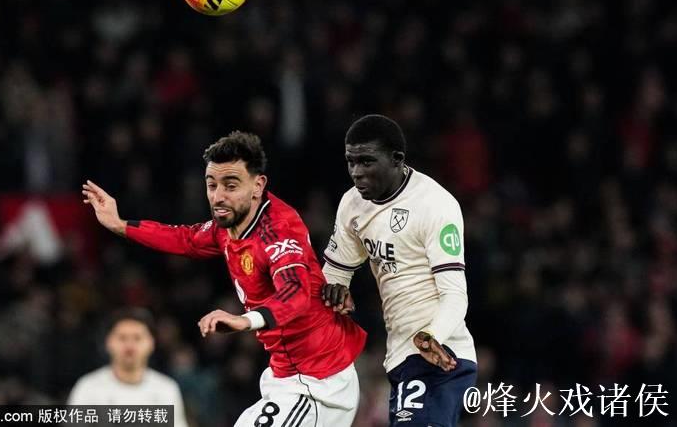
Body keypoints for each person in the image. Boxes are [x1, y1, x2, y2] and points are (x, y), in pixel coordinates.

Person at [82, 131, 366, 427]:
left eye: (231, 185)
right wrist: (120, 225)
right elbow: (186, 239)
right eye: (212, 185)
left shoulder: (277, 231)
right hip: (286, 375)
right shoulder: (230, 223)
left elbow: (296, 292)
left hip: (318, 381)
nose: (218, 196)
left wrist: (245, 321)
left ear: (258, 185)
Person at [320, 114, 477, 427]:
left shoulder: (435, 205)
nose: (356, 172)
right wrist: (335, 291)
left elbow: (455, 295)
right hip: (402, 356)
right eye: (351, 162)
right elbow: (335, 274)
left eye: (367, 161)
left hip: (440, 354)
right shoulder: (352, 205)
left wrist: (432, 336)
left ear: (397, 159)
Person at [67, 307, 189, 427]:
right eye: (122, 338)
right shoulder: (88, 388)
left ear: (151, 343)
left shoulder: (166, 389)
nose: (130, 346)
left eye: (137, 338)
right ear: (108, 342)